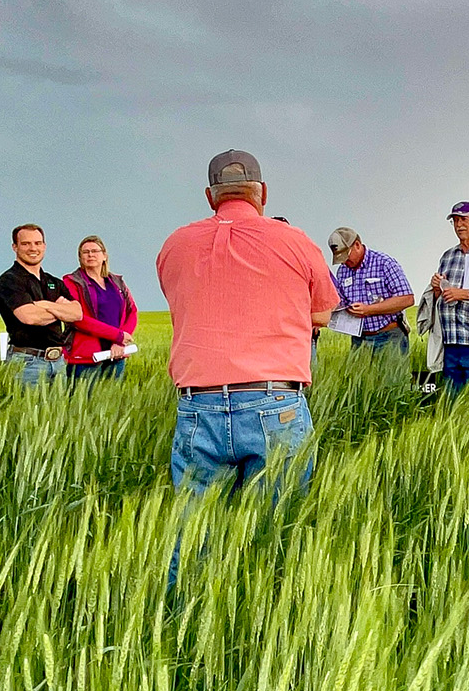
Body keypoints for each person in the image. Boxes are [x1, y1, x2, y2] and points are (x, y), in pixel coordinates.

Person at [158, 150, 339, 495]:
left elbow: (180, 302)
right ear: (263, 194)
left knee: (195, 530)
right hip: (274, 399)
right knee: (273, 530)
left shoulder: (175, 244)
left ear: (210, 196)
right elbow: (322, 313)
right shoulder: (295, 241)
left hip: (198, 403)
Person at [0, 224, 81, 386]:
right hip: (27, 364)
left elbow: (77, 314)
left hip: (58, 362)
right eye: (26, 244)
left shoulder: (53, 281)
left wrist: (45, 305)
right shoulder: (9, 280)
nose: (33, 248)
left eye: (38, 243)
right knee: (25, 411)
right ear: (15, 247)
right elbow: (29, 317)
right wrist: (60, 310)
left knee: (58, 411)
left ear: (44, 246)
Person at [427, 201, 469, 390]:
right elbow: (440, 297)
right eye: (455, 221)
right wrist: (437, 288)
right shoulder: (448, 256)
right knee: (452, 407)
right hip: (451, 344)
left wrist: (464, 294)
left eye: (464, 219)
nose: (459, 225)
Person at [328, 227, 416, 357]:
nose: (345, 262)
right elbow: (341, 301)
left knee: (392, 378)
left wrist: (369, 309)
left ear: (357, 245)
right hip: (359, 340)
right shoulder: (342, 271)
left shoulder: (384, 263)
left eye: (346, 256)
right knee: (361, 378)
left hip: (389, 337)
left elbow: (407, 298)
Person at [63, 235, 139, 384]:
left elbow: (132, 311)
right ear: (80, 257)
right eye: (85, 252)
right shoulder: (72, 282)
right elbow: (78, 319)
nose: (90, 255)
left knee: (111, 403)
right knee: (82, 404)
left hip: (116, 354)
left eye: (95, 251)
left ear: (104, 256)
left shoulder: (117, 282)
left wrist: (120, 343)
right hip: (86, 357)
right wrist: (117, 336)